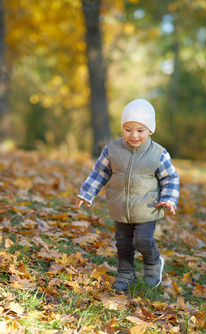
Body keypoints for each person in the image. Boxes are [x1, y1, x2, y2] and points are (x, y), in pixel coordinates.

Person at [76, 98, 180, 292]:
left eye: (140, 130)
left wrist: (168, 199)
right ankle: (125, 273)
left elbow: (170, 178)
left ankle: (153, 264)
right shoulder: (112, 149)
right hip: (120, 207)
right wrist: (86, 193)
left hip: (148, 208)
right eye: (128, 129)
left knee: (141, 240)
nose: (134, 135)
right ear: (122, 128)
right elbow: (99, 172)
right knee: (123, 244)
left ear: (150, 130)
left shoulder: (158, 154)